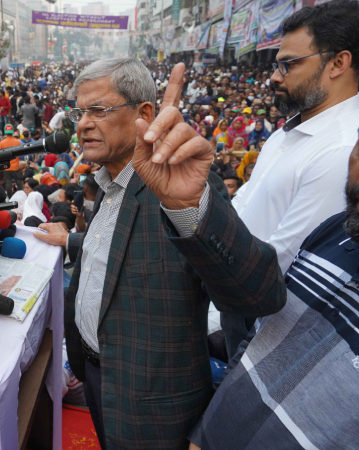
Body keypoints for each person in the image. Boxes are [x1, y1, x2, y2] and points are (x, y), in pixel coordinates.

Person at [33, 59, 285, 449]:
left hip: (154, 412)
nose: (82, 124)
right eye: (79, 112)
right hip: (98, 380)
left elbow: (257, 294)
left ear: (144, 113)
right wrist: (71, 241)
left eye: (99, 110)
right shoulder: (106, 182)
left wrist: (191, 208)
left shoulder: (178, 188)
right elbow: (119, 255)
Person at [222, 0, 359, 358]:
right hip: (232, 304)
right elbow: (240, 209)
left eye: (288, 64)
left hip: (264, 328)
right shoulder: (286, 132)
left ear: (338, 63)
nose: (274, 76)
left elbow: (284, 262)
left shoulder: (343, 150)